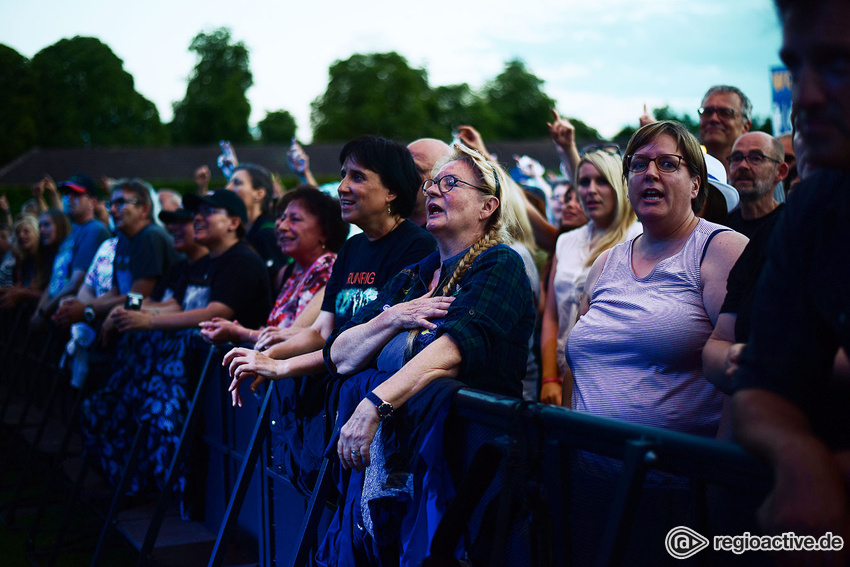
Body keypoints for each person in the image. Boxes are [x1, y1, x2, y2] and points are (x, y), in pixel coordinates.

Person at [306, 143, 535, 565]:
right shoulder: (413, 276)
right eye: (431, 184)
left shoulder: (500, 264)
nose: (432, 192)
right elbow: (339, 354)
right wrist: (394, 318)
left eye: (449, 183)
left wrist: (374, 404)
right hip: (409, 465)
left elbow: (453, 349)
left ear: (488, 206)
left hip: (468, 466)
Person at [563, 121, 748, 564]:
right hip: (586, 483)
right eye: (639, 164)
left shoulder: (720, 250)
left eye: (668, 164)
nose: (651, 174)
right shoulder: (606, 261)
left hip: (674, 493)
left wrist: (719, 479)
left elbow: (743, 376)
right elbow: (579, 358)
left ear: (696, 183)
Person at [222, 135, 437, 494]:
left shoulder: (417, 246)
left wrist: (281, 366)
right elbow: (322, 332)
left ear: (392, 192)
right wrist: (266, 357)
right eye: (342, 175)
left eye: (357, 176)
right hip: (337, 407)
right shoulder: (351, 249)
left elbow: (369, 341)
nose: (341, 187)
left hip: (377, 416)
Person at [731, 1, 850, 562]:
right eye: (795, 65)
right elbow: (762, 384)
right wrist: (799, 455)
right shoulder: (820, 207)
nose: (803, 96)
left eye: (837, 65)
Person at [82, 190, 271, 506]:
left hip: (225, 385)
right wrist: (138, 313)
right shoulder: (203, 262)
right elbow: (176, 304)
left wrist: (148, 322)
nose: (197, 218)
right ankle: (133, 475)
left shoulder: (241, 259)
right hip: (196, 377)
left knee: (146, 396)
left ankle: (150, 485)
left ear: (234, 222)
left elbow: (215, 314)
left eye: (208, 211)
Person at [540, 149, 641, 405]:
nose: (591, 190)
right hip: (561, 372)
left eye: (602, 181)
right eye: (584, 182)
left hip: (610, 380)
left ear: (620, 185)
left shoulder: (638, 238)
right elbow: (552, 315)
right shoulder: (566, 241)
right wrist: (550, 377)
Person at [199, 187, 348, 346]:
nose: (281, 226)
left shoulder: (330, 270)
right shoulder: (290, 273)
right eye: (282, 218)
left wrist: (241, 333)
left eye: (295, 219)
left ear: (325, 231)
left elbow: (296, 339)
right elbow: (276, 331)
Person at [51, 178, 177, 328]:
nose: (111, 210)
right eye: (111, 204)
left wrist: (88, 310)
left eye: (121, 203)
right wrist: (81, 305)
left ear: (144, 210)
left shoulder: (150, 236)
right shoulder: (124, 239)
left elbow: (138, 298)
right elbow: (116, 291)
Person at [30, 174, 111, 329]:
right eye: (67, 194)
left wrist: (43, 313)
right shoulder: (73, 232)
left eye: (77, 195)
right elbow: (56, 279)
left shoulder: (94, 230)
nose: (69, 199)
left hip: (75, 321)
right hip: (57, 316)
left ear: (93, 201)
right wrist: (39, 311)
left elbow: (76, 283)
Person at [226, 163, 288, 283]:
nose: (228, 188)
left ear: (259, 194)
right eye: (229, 182)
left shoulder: (268, 234)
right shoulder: (244, 231)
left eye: (237, 183)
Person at [724, 132, 790, 238]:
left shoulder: (794, 225)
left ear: (780, 171)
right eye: (736, 158)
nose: (743, 165)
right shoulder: (723, 229)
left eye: (755, 158)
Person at [699, 85, 753, 174]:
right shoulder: (685, 176)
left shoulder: (759, 180)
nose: (714, 119)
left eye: (725, 113)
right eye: (707, 112)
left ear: (745, 126)